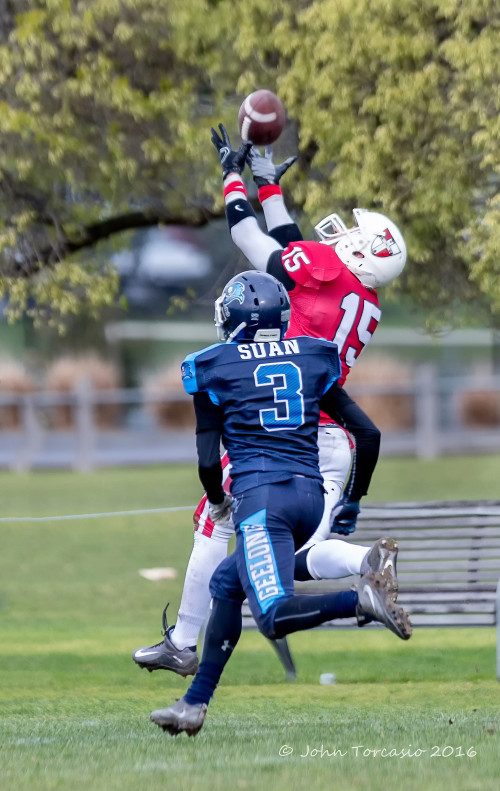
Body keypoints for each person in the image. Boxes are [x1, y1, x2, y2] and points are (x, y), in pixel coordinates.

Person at [132, 126, 407, 677]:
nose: (340, 235)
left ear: (361, 252)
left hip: (278, 428)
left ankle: (183, 642)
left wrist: (234, 179)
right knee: (305, 551)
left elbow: (256, 244)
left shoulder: (325, 272)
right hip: (334, 438)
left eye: (352, 234)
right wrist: (268, 183)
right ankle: (366, 562)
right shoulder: (363, 297)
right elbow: (297, 250)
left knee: (215, 521)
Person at [149, 270, 412, 736]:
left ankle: (361, 600)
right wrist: (352, 500)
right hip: (310, 498)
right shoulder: (313, 356)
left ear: (232, 318)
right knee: (228, 584)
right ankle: (193, 705)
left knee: (272, 616)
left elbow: (209, 462)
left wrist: (216, 502)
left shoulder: (212, 365)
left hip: (263, 501)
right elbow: (367, 434)